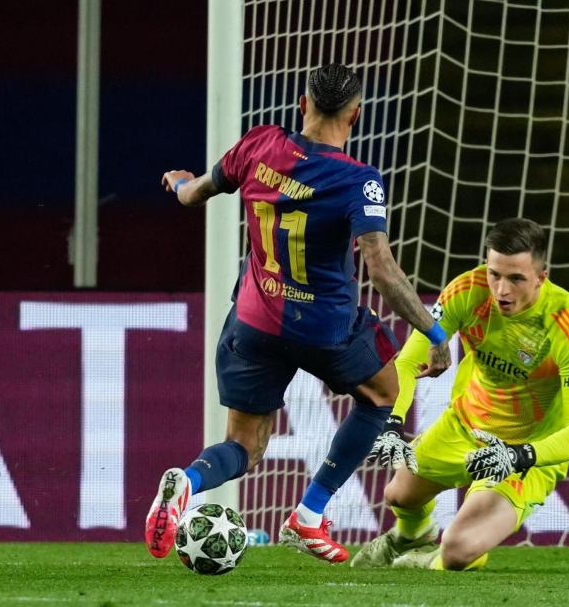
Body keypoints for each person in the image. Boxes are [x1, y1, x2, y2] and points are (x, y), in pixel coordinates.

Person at [145, 64, 451, 564]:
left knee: (244, 445)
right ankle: (309, 515)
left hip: (254, 322)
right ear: (356, 114)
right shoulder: (359, 180)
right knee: (382, 395)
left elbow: (192, 193)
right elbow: (382, 269)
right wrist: (434, 331)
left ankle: (190, 480)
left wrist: (179, 183)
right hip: (325, 329)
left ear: (302, 105)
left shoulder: (258, 143)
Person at [354, 217, 569, 570]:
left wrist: (518, 457)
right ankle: (411, 535)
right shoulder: (467, 291)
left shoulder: (568, 325)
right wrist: (392, 424)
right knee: (398, 494)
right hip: (467, 424)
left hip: (525, 450)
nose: (501, 290)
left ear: (541, 277)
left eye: (516, 278)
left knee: (457, 552)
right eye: (494, 274)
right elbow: (408, 362)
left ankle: (428, 562)